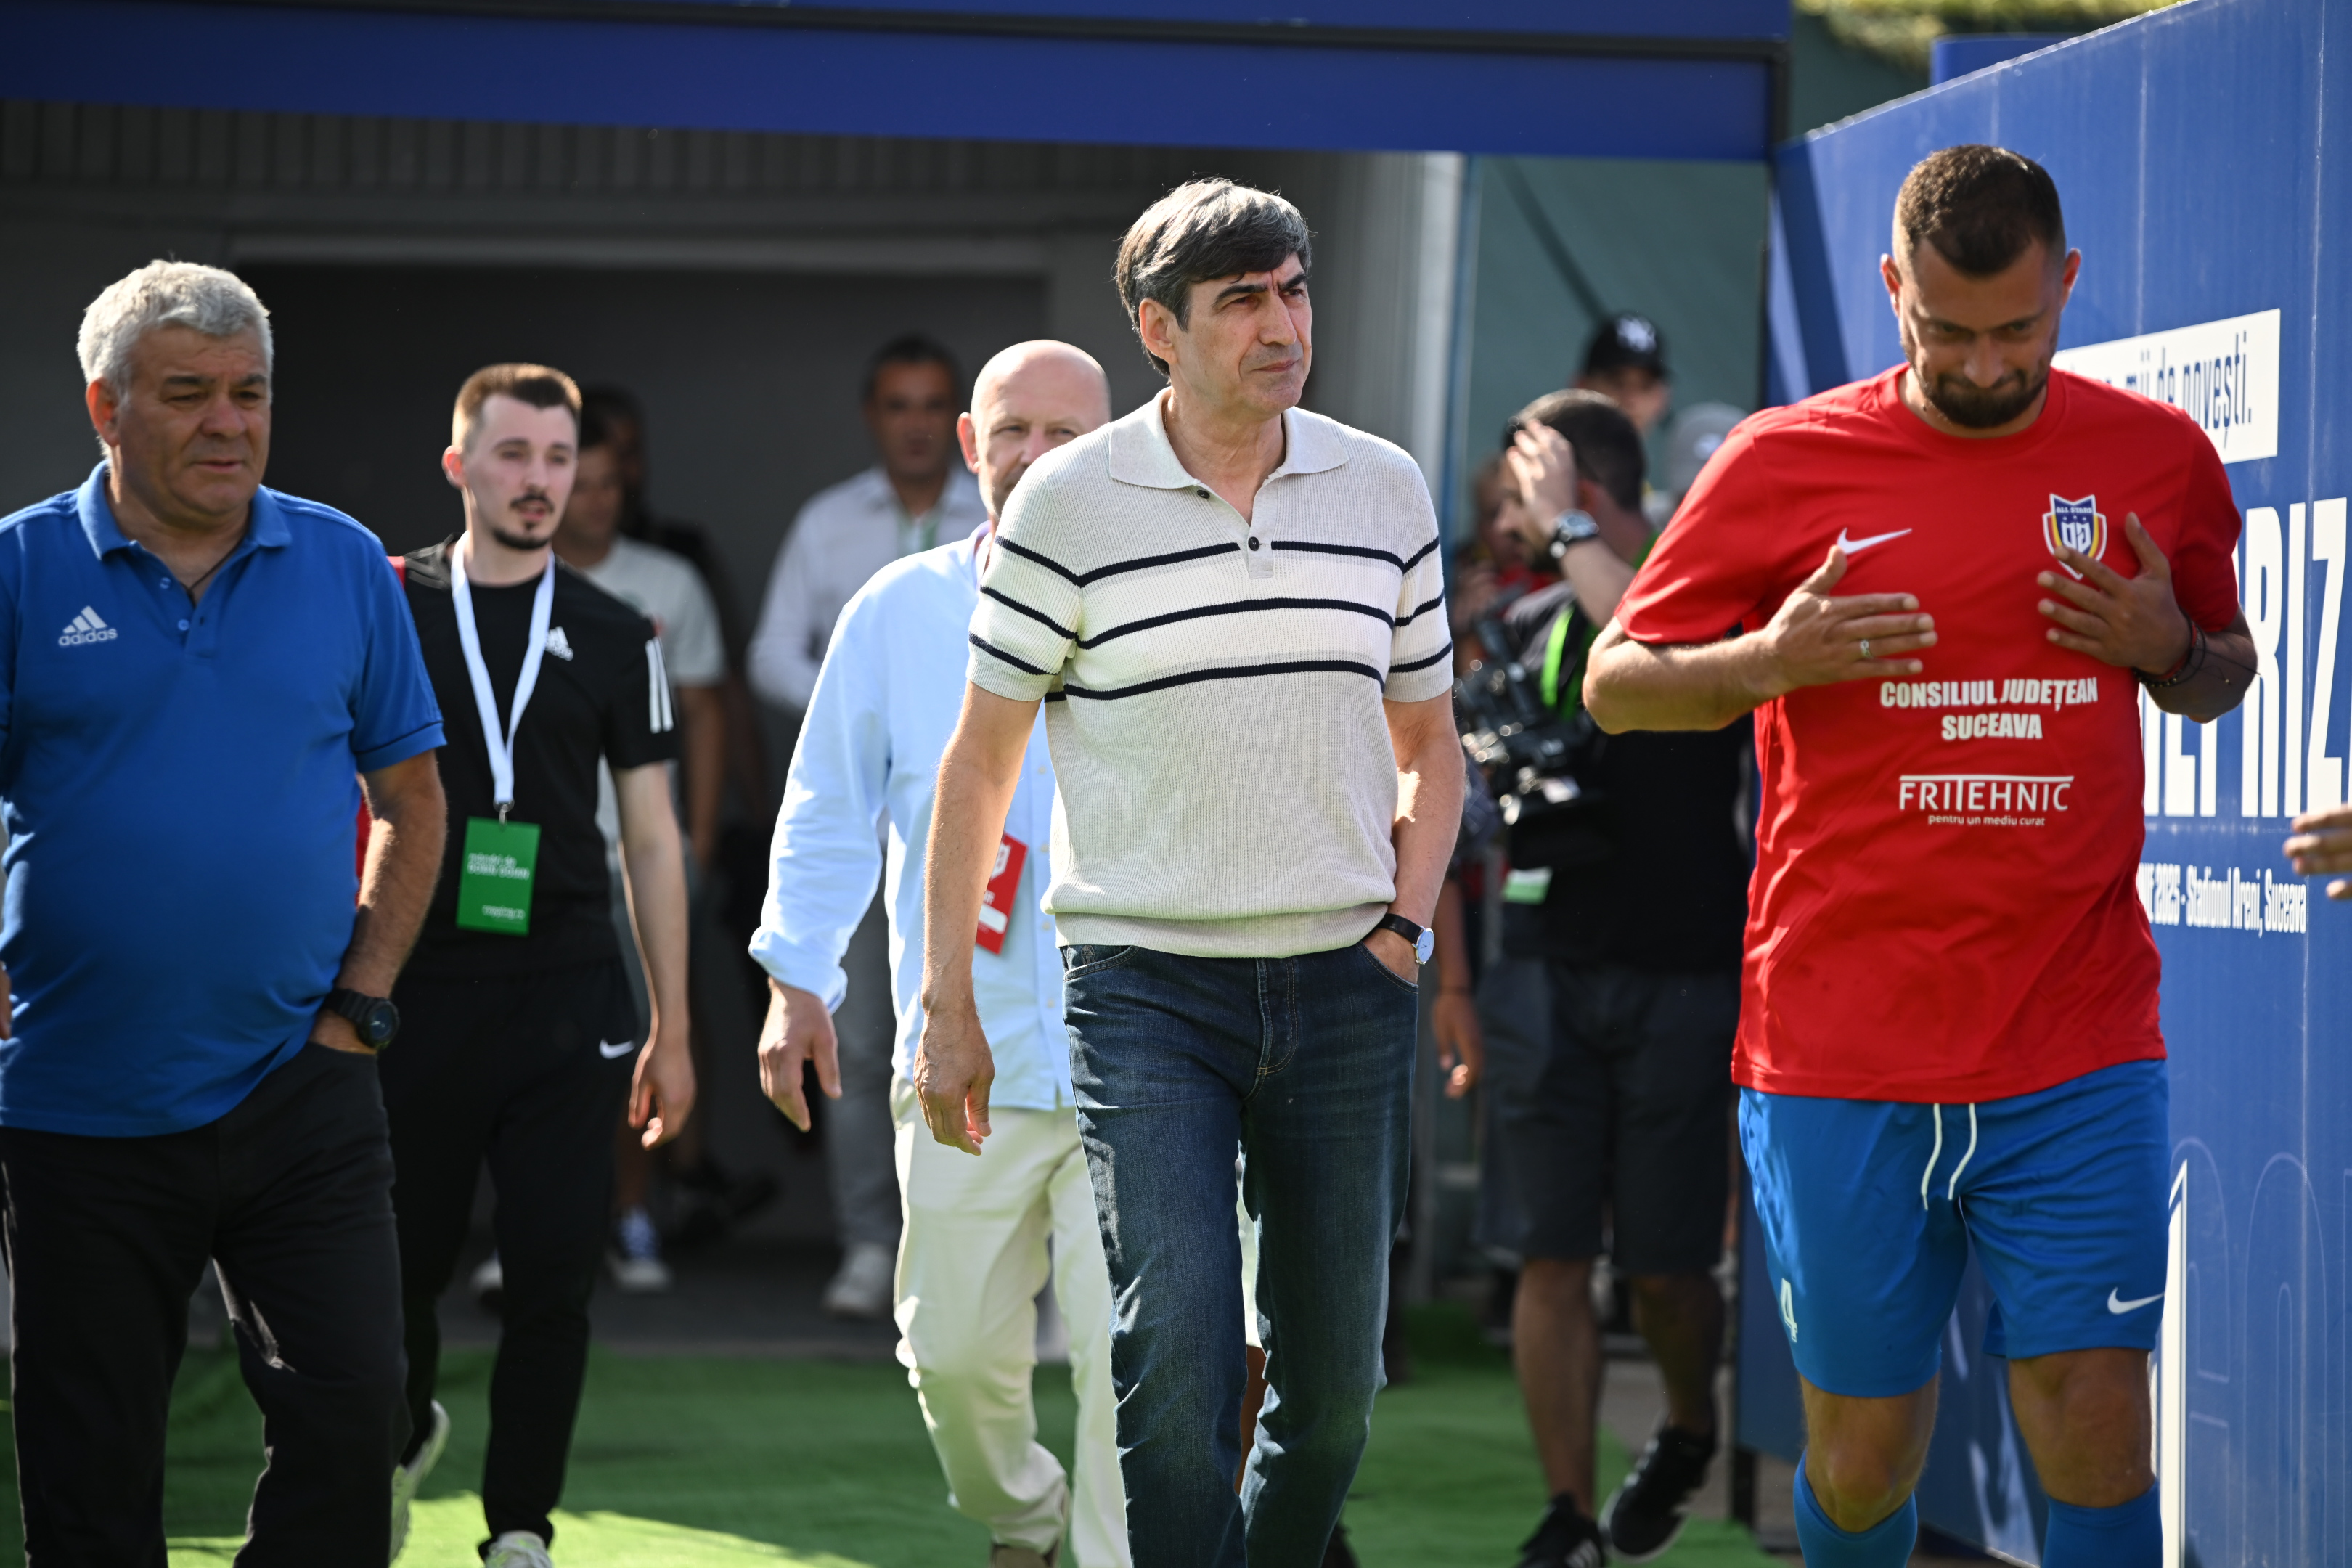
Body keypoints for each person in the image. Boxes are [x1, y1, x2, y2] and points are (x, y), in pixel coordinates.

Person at [1583, 145, 2255, 1568]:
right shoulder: (1782, 461)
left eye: (2019, 329)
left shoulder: (2157, 459)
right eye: (1947, 330)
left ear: (2067, 286)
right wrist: (1766, 662)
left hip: (2076, 1037)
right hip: (1841, 1043)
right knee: (1865, 1453)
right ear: (1893, 286)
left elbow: (2225, 670)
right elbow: (1616, 683)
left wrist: (2172, 648)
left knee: (2098, 1419)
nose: (1986, 363)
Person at [919, 179, 1462, 1567]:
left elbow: (1434, 750)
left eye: (1294, 290)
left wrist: (1403, 930)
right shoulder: (1064, 503)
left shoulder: (1385, 486)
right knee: (1176, 1365)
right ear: (1158, 330)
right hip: (1145, 989)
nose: (1283, 326)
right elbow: (978, 768)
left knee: (1332, 1398)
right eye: (1241, 302)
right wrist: (948, 1003)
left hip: (1347, 985)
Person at [0, 260, 446, 1561]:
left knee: (354, 1412)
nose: (228, 424)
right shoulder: (20, 570)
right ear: (106, 406)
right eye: (188, 393)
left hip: (302, 1084)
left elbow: (413, 803)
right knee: (89, 1468)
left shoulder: (343, 561)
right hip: (76, 1097)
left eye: (249, 394)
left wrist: (361, 1006)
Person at [752, 339, 1124, 1568]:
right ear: (972, 446)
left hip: (1151, 1057)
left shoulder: (1173, 609)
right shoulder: (897, 609)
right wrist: (797, 979)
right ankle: (1024, 1516)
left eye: (1067, 434)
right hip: (965, 1047)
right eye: (1014, 430)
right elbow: (825, 806)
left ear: (1115, 448)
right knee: (951, 1355)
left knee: (1135, 1362)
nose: (1038, 456)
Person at [383, 362, 698, 1568]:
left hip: (570, 994)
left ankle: (520, 1527)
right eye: (513, 455)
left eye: (559, 459)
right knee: (399, 1267)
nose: (539, 481)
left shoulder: (620, 632)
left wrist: (673, 1026)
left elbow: (653, 839)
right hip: (412, 984)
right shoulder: (388, 601)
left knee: (554, 1278)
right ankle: (397, 1440)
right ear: (457, 466)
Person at [1457, 391, 1751, 1566]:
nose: (1507, 513)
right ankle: (1570, 1516)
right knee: (1551, 1252)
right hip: (1542, 972)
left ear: (1579, 485)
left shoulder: (1700, 582)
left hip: (1680, 972)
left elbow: (1653, 646)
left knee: (1667, 1273)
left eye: (1525, 487)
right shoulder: (1523, 617)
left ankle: (1688, 1428)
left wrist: (1570, 526)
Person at [749, 333, 989, 1318]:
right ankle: (867, 1244)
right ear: (872, 416)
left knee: (990, 1025)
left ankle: (1002, 1265)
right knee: (855, 1038)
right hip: (871, 820)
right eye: (899, 405)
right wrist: (867, 706)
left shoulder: (1011, 512)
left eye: (933, 405)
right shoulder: (827, 522)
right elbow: (771, 654)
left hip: (982, 833)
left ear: (959, 424)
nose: (916, 423)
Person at [555, 407, 738, 1291]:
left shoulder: (668, 582)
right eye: (579, 484)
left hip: (641, 860)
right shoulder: (509, 584)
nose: (596, 500)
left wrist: (694, 841)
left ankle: (630, 1215)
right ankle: (538, 1230)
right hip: (535, 862)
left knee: (638, 1037)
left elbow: (705, 714)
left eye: (608, 483)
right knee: (537, 1051)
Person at [1575, 313, 1672, 437]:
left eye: (1645, 386)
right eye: (1618, 383)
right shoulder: (1551, 447)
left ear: (1661, 399)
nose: (1631, 399)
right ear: (1582, 387)